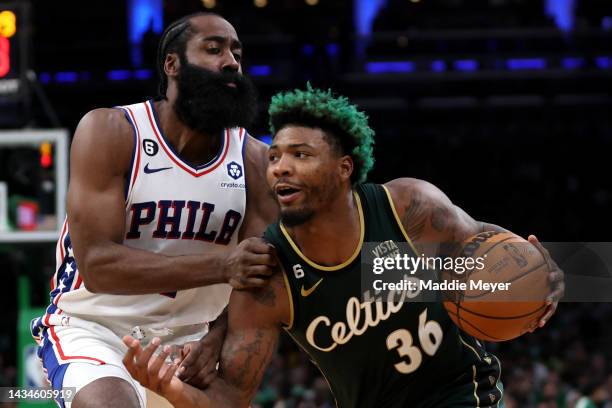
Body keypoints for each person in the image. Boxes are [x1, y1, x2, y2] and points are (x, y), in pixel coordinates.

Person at [123, 85, 564, 407]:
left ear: (343, 168)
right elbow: (232, 395)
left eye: (301, 155)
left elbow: (499, 255)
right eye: (274, 156)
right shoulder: (269, 272)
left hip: (459, 393)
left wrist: (548, 277)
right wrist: (171, 390)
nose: (280, 168)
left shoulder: (407, 208)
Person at [30, 12, 278, 408]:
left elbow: (257, 277)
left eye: (236, 52)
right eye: (213, 49)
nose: (231, 61)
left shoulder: (254, 160)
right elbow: (98, 265)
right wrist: (223, 265)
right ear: (172, 64)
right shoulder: (113, 130)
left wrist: (216, 336)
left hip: (191, 343)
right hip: (96, 330)